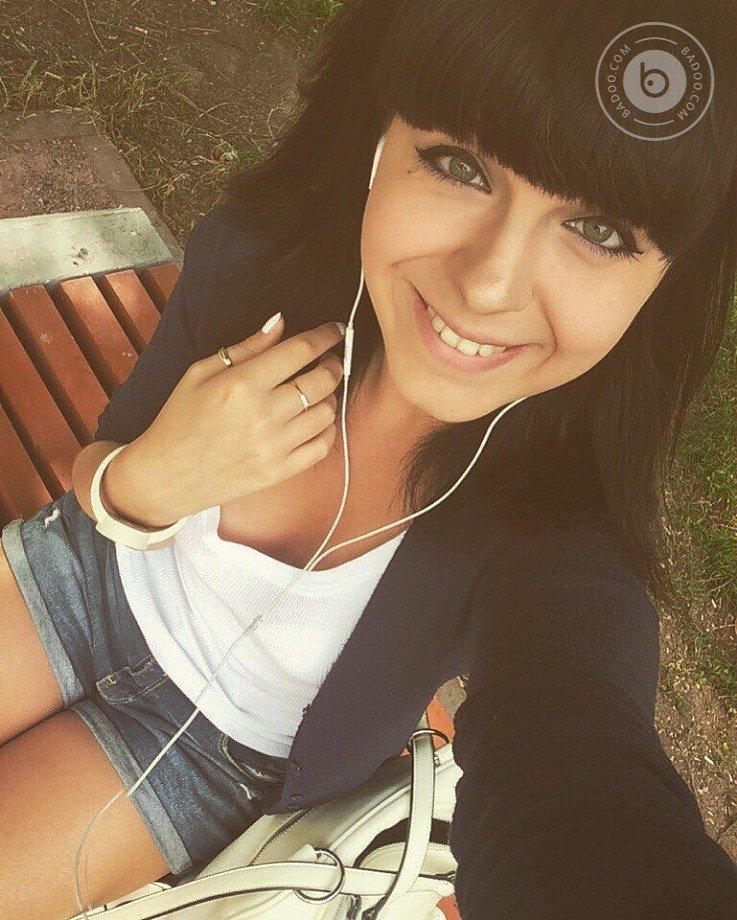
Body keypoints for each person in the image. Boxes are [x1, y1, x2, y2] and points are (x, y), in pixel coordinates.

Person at [1, 0, 736, 917]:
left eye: (599, 231)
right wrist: (149, 480)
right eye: (460, 165)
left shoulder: (556, 534)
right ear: (381, 136)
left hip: (203, 755)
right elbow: (98, 472)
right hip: (80, 572)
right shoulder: (258, 265)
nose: (487, 284)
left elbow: (572, 767)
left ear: (666, 283)